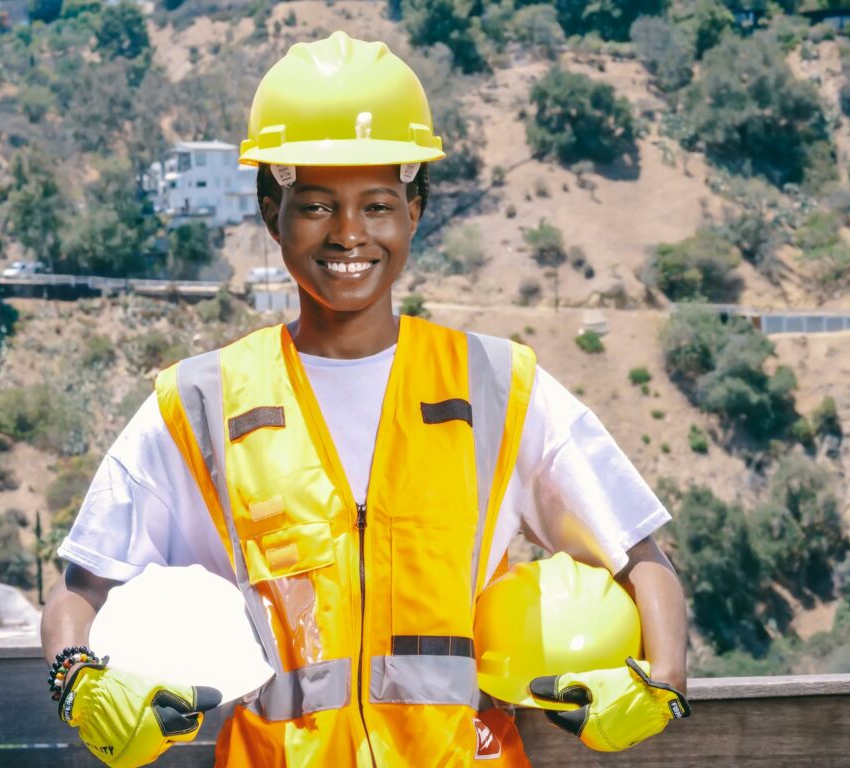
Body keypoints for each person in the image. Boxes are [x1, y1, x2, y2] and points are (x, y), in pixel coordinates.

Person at [41, 31, 689, 767]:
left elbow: (640, 556)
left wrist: (660, 682)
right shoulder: (199, 402)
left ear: (415, 208)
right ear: (269, 210)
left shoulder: (499, 387)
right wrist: (80, 683)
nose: (349, 233)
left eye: (377, 204)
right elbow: (81, 588)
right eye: (317, 205)